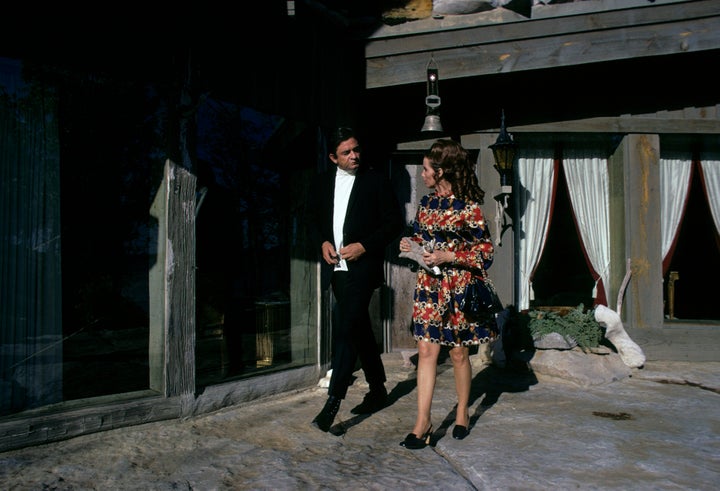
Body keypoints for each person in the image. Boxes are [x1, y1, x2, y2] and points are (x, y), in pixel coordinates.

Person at [398, 138, 497, 449]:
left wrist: (450, 257)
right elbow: (417, 236)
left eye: (427, 169)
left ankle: (463, 413)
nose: (423, 173)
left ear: (441, 171)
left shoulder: (469, 208)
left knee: (457, 354)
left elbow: (486, 254)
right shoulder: (426, 204)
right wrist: (409, 245)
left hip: (457, 289)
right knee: (426, 353)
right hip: (428, 287)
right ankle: (422, 422)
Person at [308, 126, 404, 432]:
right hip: (336, 271)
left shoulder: (375, 180)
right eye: (347, 152)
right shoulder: (322, 183)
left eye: (356, 149)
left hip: (362, 269)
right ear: (333, 157)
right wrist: (322, 241)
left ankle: (333, 401)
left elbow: (393, 224)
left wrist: (364, 246)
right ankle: (378, 389)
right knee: (359, 327)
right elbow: (311, 220)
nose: (354, 156)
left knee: (346, 327)